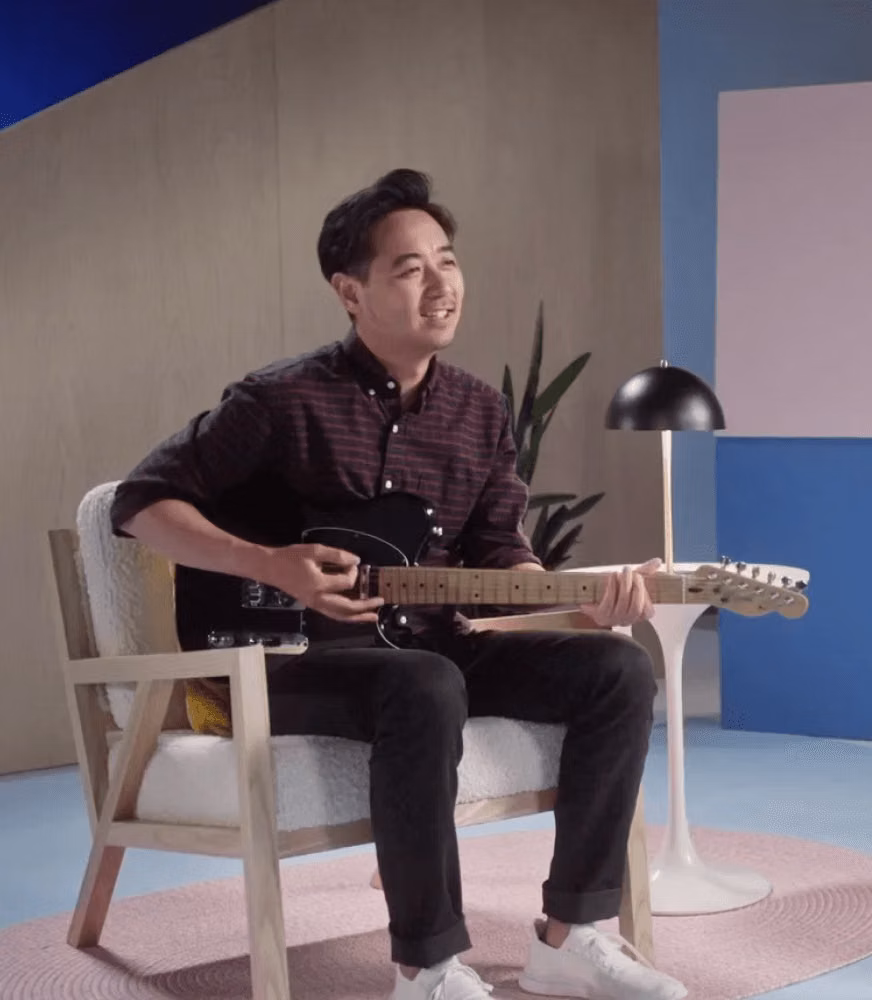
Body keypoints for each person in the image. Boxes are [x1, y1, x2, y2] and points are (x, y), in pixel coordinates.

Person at [110, 168, 687, 1000]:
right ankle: (427, 968)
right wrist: (268, 563)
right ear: (350, 291)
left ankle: (572, 937)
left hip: (428, 647)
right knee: (425, 682)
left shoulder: (480, 413)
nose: (441, 285)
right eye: (411, 269)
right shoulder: (278, 400)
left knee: (618, 670)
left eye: (447, 261)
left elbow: (499, 555)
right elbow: (139, 502)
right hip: (284, 659)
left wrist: (571, 598)